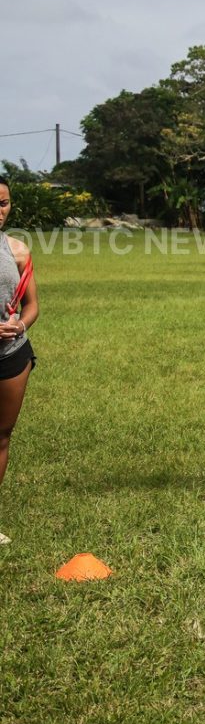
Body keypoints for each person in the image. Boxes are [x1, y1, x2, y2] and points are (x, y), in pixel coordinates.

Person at [0, 177, 41, 545]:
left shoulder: (18, 251)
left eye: (3, 203)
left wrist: (19, 325)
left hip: (11, 355)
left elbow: (32, 306)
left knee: (1, 436)